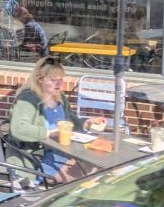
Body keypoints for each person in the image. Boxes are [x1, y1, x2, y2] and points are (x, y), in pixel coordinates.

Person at [7, 55, 104, 184]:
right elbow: (18, 129)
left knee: (99, 164)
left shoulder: (60, 97)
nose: (58, 83)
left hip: (64, 154)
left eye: (60, 79)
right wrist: (49, 133)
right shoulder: (28, 99)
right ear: (40, 80)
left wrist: (87, 122)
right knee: (92, 174)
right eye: (53, 80)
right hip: (39, 161)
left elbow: (71, 123)